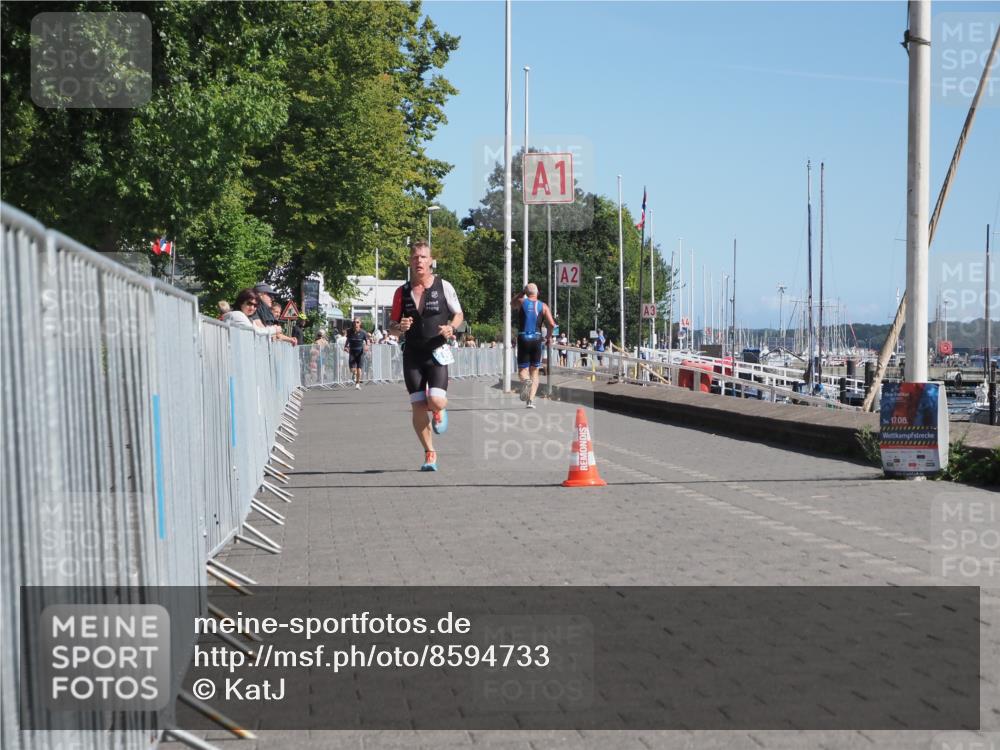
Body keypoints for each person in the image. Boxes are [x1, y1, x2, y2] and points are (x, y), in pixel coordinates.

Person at [388, 241, 463, 471]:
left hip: (437, 352)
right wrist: (400, 327)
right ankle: (430, 453)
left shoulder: (443, 286)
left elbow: (458, 314)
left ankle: (439, 410)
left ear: (430, 261)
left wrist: (451, 328)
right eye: (415, 258)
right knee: (418, 405)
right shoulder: (401, 292)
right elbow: (391, 327)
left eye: (423, 257)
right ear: (410, 262)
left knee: (436, 400)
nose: (419, 261)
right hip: (413, 354)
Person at [511, 283, 555, 409]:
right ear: (538, 293)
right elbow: (551, 324)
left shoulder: (521, 302)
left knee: (522, 370)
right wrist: (548, 337)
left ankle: (525, 381)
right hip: (537, 338)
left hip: (523, 337)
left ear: (526, 292)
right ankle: (530, 401)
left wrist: (521, 292)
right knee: (534, 371)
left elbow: (511, 303)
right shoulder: (543, 306)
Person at [344, 318, 371, 389]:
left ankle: (357, 383)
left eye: (357, 322)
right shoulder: (349, 331)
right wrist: (346, 346)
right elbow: (347, 340)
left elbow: (367, 340)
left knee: (359, 369)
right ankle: (354, 373)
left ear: (360, 323)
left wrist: (367, 346)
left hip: (360, 352)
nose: (356, 324)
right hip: (352, 352)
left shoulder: (363, 332)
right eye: (354, 322)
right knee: (352, 369)